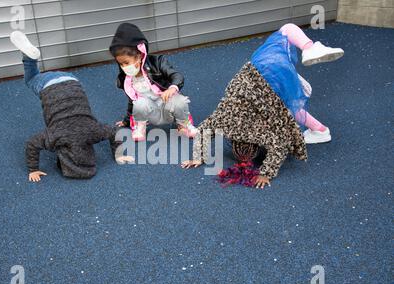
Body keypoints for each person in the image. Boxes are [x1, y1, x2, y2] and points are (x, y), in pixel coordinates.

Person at [182, 23, 344, 189]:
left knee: (286, 108)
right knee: (286, 30)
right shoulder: (225, 122)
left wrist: (265, 173)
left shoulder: (261, 131)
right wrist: (198, 156)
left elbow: (279, 145)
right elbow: (203, 131)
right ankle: (319, 128)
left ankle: (319, 127)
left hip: (272, 76)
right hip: (261, 70)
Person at [10, 31, 134, 182]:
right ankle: (29, 58)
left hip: (72, 82)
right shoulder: (56, 137)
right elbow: (31, 144)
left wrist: (119, 155)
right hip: (48, 86)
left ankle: (31, 57)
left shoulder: (94, 132)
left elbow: (115, 132)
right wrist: (33, 170)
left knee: (36, 80)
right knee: (30, 80)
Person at [110, 23, 198, 141]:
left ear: (139, 55)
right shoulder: (126, 79)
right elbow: (132, 102)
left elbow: (177, 76)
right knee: (139, 103)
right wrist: (126, 121)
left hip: (166, 105)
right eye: (120, 64)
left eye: (126, 62)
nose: (123, 67)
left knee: (180, 100)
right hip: (150, 112)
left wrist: (172, 88)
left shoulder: (158, 62)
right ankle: (140, 127)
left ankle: (184, 124)